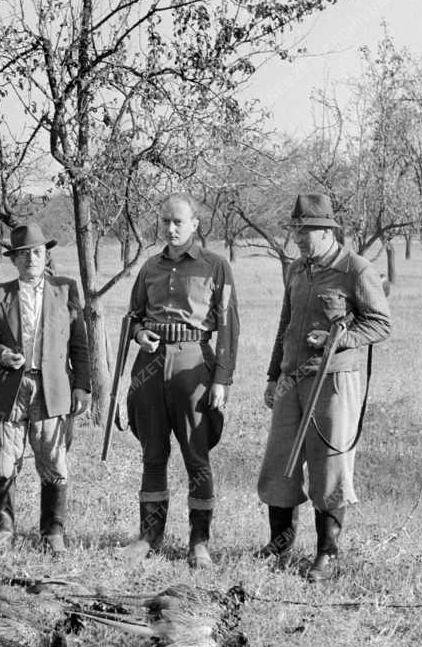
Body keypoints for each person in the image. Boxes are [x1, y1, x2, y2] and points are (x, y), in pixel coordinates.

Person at [257, 193, 391, 582]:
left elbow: (380, 324)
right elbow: (285, 326)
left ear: (328, 231)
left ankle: (325, 554)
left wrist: (339, 336)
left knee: (329, 468)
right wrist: (272, 376)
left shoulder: (356, 270)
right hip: (292, 379)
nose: (298, 238)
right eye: (295, 230)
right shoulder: (298, 269)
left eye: (306, 231)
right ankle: (279, 545)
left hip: (335, 382)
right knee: (279, 463)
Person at [122, 194, 239, 569]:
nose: (170, 229)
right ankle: (149, 536)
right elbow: (133, 316)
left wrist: (221, 379)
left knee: (196, 455)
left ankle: (199, 542)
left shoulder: (215, 267)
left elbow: (229, 328)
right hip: (151, 364)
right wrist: (140, 335)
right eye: (165, 222)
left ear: (195, 225)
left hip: (194, 364)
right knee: (153, 453)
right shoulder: (149, 267)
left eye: (178, 222)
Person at [0, 223, 91, 556]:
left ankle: (52, 531)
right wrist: (0, 353)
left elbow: (80, 343)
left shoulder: (66, 290)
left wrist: (82, 386)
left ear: (46, 255)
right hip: (10, 388)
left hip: (52, 387)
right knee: (4, 459)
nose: (31, 260)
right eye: (23, 255)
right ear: (14, 260)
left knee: (53, 456)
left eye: (37, 253)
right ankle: (3, 528)